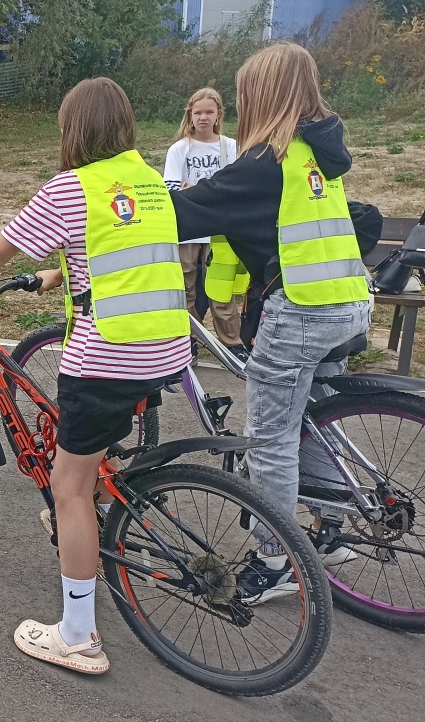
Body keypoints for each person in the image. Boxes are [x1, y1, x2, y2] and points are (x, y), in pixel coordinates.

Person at [0, 77, 192, 675]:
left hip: (107, 352)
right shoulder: (150, 181)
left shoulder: (72, 188)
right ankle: (92, 509)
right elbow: (128, 257)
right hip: (165, 347)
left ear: (74, 128)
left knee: (67, 488)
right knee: (86, 469)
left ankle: (77, 635)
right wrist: (59, 276)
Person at [169, 43, 376, 602]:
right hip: (348, 301)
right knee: (316, 416)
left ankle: (275, 556)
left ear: (258, 95)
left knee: (271, 439)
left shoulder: (265, 163)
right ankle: (328, 532)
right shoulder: (317, 153)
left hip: (302, 310)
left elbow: (186, 211)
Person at [162, 87, 248, 363]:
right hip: (188, 230)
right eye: (197, 112)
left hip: (221, 232)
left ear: (218, 115)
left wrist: (195, 188)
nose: (203, 117)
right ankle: (187, 341)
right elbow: (172, 187)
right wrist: (207, 189)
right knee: (186, 286)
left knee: (220, 290)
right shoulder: (180, 149)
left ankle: (231, 343)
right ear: (190, 115)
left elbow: (236, 186)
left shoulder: (231, 147)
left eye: (208, 112)